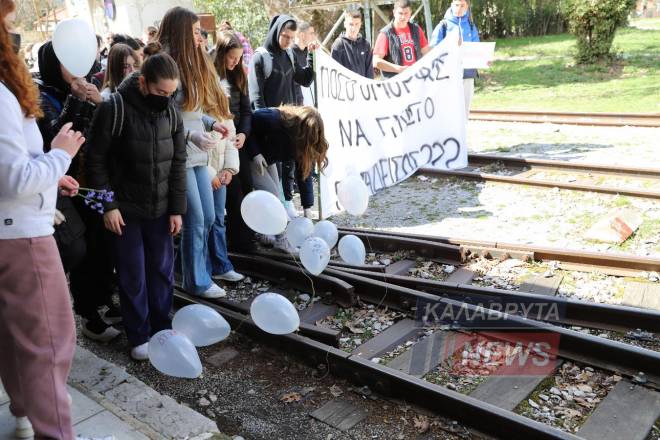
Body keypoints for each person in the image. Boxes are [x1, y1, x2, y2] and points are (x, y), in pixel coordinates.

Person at [0, 1, 86, 437]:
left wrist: (53, 175)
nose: (14, 31)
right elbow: (14, 180)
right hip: (21, 237)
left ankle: (22, 415)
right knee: (49, 344)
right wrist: (59, 156)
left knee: (14, 339)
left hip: (10, 230)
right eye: (8, 20)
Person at [86, 44, 186, 361]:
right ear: (142, 82)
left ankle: (162, 328)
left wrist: (177, 209)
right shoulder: (113, 108)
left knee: (161, 271)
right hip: (124, 211)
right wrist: (109, 205)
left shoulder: (171, 112)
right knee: (132, 274)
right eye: (160, 91)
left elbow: (178, 162)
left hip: (159, 210)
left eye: (171, 93)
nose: (165, 98)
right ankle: (139, 335)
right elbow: (95, 161)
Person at [36, 40, 122, 342]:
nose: (75, 68)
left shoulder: (87, 88)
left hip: (92, 178)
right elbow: (52, 140)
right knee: (81, 249)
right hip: (64, 185)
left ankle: (104, 297)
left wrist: (98, 102)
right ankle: (88, 314)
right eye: (66, 62)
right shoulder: (40, 97)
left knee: (104, 244)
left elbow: (100, 132)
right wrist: (76, 102)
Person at [158, 6, 233, 298]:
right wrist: (192, 135)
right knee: (196, 218)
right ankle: (196, 280)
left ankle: (197, 272)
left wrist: (213, 122)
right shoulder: (164, 64)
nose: (199, 36)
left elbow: (192, 112)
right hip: (180, 154)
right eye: (193, 31)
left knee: (211, 216)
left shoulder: (190, 63)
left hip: (198, 149)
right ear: (180, 32)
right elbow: (164, 117)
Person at [246, 105, 328, 252]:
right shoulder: (273, 119)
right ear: (301, 129)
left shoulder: (303, 142)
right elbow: (247, 122)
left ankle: (266, 231)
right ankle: (282, 239)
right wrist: (255, 153)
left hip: (267, 158)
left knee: (275, 195)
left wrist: (307, 207)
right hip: (248, 153)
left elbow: (305, 172)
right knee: (272, 196)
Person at [212, 30, 256, 253]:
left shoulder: (240, 74)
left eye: (238, 58)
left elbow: (247, 112)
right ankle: (237, 240)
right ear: (221, 54)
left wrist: (244, 134)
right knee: (232, 192)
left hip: (238, 141)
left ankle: (247, 237)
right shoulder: (210, 74)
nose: (235, 62)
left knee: (247, 187)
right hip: (218, 142)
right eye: (231, 58)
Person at [248, 15, 316, 110]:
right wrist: (264, 121)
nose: (288, 42)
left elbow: (306, 80)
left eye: (292, 38)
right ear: (277, 31)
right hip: (270, 121)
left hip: (290, 120)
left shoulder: (290, 55)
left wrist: (312, 55)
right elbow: (256, 99)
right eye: (286, 36)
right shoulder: (260, 58)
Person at [431, 0, 480, 116]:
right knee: (448, 109)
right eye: (456, 5)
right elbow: (433, 50)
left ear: (467, 7)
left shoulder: (471, 26)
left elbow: (477, 49)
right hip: (448, 74)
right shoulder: (443, 25)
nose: (459, 8)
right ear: (451, 5)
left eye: (462, 5)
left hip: (468, 73)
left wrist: (484, 60)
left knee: (465, 108)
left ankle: (463, 133)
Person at [372, 0, 430, 78]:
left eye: (406, 13)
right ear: (394, 12)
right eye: (400, 13)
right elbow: (376, 61)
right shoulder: (385, 33)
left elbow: (427, 53)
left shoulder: (416, 29)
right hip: (396, 82)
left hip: (416, 78)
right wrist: (398, 69)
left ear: (410, 13)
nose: (403, 17)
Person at [331, 9, 374, 78]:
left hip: (363, 87)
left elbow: (369, 72)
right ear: (345, 24)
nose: (353, 28)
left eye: (357, 24)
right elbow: (334, 73)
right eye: (351, 24)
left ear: (361, 24)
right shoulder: (338, 45)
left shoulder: (366, 45)